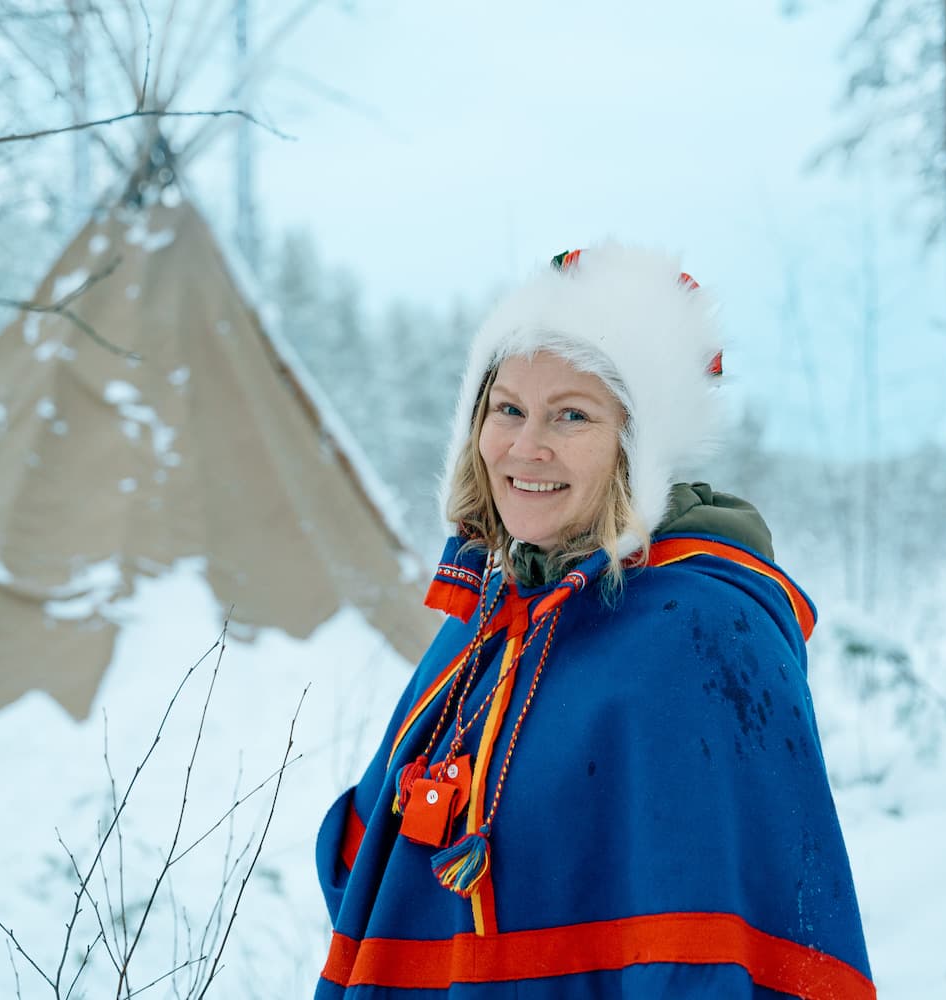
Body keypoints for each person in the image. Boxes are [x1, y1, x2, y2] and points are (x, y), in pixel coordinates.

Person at [313, 245, 874, 999]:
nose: (524, 446)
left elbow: (723, 946)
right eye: (506, 407)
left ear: (638, 447)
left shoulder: (704, 636)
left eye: (571, 415)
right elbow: (372, 862)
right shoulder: (490, 618)